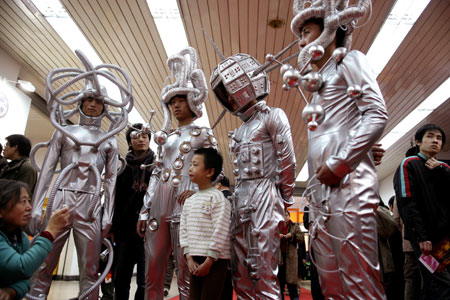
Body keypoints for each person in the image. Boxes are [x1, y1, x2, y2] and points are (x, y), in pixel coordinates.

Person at [290, 1, 388, 298]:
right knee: (330, 281)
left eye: (306, 31)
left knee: (359, 278)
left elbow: (376, 113)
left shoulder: (349, 60)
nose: (301, 41)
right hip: (322, 191)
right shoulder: (318, 86)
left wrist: (341, 162)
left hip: (347, 184)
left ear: (331, 29)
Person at [27, 50, 131, 300]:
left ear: (106, 107)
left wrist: (107, 215)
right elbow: (48, 170)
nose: (93, 104)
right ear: (81, 102)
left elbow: (111, 181)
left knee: (90, 268)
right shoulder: (63, 132)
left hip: (91, 204)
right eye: (89, 99)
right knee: (44, 261)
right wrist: (36, 208)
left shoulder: (109, 140)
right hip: (60, 199)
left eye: (99, 101)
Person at [210, 53, 296, 299]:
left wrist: (285, 199)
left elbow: (287, 160)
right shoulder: (241, 129)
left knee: (262, 269)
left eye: (231, 89)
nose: (229, 96)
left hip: (265, 197)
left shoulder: (273, 116)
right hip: (241, 199)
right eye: (224, 92)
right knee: (240, 270)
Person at [136, 47, 216, 300]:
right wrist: (144, 209)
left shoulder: (203, 134)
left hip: (187, 204)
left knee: (186, 269)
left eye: (180, 100)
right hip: (159, 202)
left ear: (192, 102)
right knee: (153, 265)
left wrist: (197, 190)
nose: (175, 106)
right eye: (172, 102)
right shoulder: (165, 138)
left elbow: (217, 171)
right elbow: (157, 174)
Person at [394, 124, 450, 299]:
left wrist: (441, 173)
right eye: (430, 136)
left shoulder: (444, 168)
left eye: (439, 138)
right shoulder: (409, 164)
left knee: (440, 284)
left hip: (445, 238)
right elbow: (407, 203)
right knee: (440, 283)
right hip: (426, 240)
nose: (435, 140)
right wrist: (421, 236)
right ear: (418, 141)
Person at [0, 179, 69, 300]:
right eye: (22, 202)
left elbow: (26, 280)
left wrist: (12, 291)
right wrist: (50, 231)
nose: (29, 207)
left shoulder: (21, 238)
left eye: (29, 201)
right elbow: (22, 268)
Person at [180, 148, 231, 300]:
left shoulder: (218, 198)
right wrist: (188, 256)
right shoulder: (190, 200)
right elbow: (183, 229)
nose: (190, 168)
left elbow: (221, 229)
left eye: (195, 165)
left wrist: (209, 261)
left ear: (209, 172)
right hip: (194, 258)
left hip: (215, 260)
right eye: (190, 165)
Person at [111, 124, 154, 300]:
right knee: (121, 277)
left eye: (145, 136)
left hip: (148, 231)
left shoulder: (156, 166)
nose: (141, 139)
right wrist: (112, 228)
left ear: (150, 140)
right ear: (129, 141)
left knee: (145, 280)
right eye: (136, 136)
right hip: (124, 231)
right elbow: (114, 199)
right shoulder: (121, 167)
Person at [392, 196, 421, 300]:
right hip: (427, 240)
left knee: (410, 278)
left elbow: (395, 221)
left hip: (409, 243)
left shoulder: (398, 196)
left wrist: (404, 234)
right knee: (429, 274)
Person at [278, 210, 304, 300]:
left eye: (286, 215)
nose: (285, 217)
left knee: (292, 284)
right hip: (279, 259)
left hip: (291, 258)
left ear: (289, 216)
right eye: (283, 215)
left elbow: (301, 238)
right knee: (279, 284)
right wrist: (278, 236)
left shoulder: (294, 226)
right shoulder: (277, 227)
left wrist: (291, 235)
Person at [215, 176, 233, 300]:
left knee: (218, 280)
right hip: (232, 244)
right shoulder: (235, 198)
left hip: (219, 243)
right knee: (228, 279)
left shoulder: (219, 198)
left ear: (219, 184)